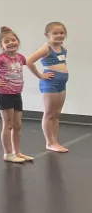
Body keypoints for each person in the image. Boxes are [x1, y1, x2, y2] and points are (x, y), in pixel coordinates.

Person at [0, 27, 39, 164]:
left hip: (17, 94)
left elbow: (26, 66)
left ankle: (17, 151)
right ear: (2, 46)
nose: (11, 43)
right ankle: (7, 153)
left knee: (17, 125)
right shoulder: (0, 58)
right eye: (7, 41)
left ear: (18, 41)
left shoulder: (20, 57)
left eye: (14, 39)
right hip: (4, 94)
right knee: (8, 124)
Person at [26, 22, 71, 154]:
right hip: (50, 83)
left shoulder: (63, 49)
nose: (59, 35)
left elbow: (61, 63)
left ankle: (55, 140)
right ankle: (49, 142)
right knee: (49, 113)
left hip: (61, 83)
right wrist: (40, 75)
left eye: (61, 33)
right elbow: (28, 61)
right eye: (55, 33)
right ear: (47, 35)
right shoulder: (46, 49)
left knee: (56, 114)